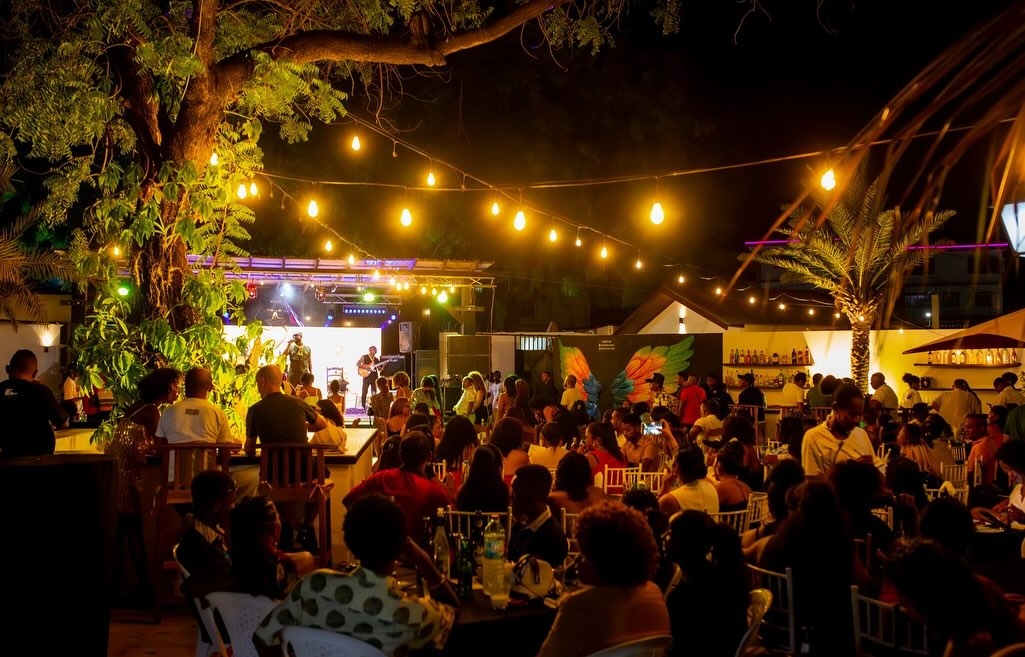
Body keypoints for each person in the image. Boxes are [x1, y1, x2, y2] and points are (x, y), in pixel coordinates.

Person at [253, 494, 458, 657]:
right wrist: (424, 561)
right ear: (401, 547)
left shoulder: (314, 585)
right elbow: (454, 616)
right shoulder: (408, 614)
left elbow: (261, 638)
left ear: (349, 542)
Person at [537, 502, 670, 657]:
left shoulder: (578, 606)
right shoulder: (654, 594)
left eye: (585, 554)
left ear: (604, 559)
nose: (578, 560)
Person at [343, 431, 451, 547]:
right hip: (416, 556)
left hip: (380, 552)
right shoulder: (433, 491)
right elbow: (452, 516)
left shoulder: (381, 478)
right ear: (429, 456)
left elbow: (348, 500)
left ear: (400, 454)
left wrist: (369, 530)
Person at [664, 510, 749, 657]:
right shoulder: (722, 578)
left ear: (687, 542)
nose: (664, 537)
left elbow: (678, 647)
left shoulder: (686, 595)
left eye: (670, 533)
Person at [177, 470, 237, 598]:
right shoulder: (200, 544)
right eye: (232, 502)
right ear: (216, 507)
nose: (234, 507)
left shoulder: (210, 535)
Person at [244, 365, 325, 456]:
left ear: (262, 381)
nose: (257, 388)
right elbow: (322, 423)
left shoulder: (255, 410)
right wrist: (303, 426)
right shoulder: (298, 403)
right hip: (304, 468)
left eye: (257, 383)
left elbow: (249, 449)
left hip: (272, 469)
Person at [0, 349, 67, 458]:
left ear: (7, 369)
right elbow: (61, 419)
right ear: (35, 373)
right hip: (39, 461)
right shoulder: (41, 391)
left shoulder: (1, 390)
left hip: (8, 460)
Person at [800, 382, 875, 478]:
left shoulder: (861, 434)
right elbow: (811, 481)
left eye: (859, 415)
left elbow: (875, 468)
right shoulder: (813, 437)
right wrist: (849, 471)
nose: (857, 419)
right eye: (852, 414)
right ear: (836, 409)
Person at [156, 367, 236, 446]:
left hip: (174, 459)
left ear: (186, 386)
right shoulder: (218, 414)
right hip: (206, 459)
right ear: (210, 388)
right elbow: (225, 450)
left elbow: (159, 446)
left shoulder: (168, 411)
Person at [508, 465, 569, 567]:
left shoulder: (553, 539)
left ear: (534, 495)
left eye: (517, 492)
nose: (511, 497)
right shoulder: (522, 526)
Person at [658, 444, 719, 515]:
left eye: (674, 464)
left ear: (678, 468)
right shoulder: (712, 488)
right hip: (710, 526)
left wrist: (664, 488)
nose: (672, 466)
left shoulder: (670, 499)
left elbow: (654, 517)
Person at [712, 439, 752, 511]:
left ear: (719, 465)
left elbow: (708, 511)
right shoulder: (747, 488)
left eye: (714, 463)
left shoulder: (720, 489)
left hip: (725, 522)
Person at [964, 413, 997, 487]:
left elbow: (976, 474)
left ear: (981, 428)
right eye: (965, 426)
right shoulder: (989, 441)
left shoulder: (980, 447)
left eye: (969, 427)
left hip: (981, 487)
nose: (965, 430)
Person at [356, 345, 381, 410]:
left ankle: (374, 407)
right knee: (364, 392)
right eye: (374, 349)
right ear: (370, 350)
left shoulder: (376, 359)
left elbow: (380, 369)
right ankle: (363, 406)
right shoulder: (364, 357)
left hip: (374, 378)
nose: (375, 351)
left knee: (374, 393)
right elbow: (358, 364)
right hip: (366, 377)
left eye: (376, 350)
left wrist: (384, 365)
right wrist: (366, 367)